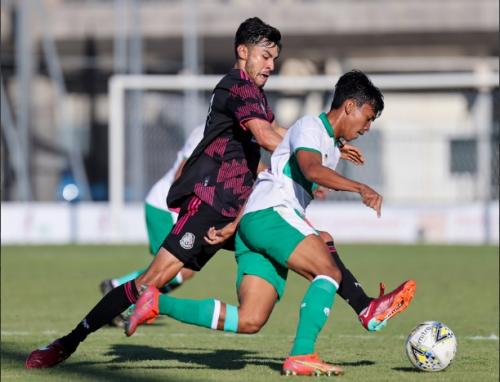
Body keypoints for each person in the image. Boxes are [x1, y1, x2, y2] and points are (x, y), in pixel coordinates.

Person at [25, 16, 286, 369]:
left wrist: (322, 138)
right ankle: (67, 342)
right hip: (209, 206)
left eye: (275, 58)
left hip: (233, 209)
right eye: (265, 56)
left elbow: (273, 133)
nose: (271, 65)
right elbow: (270, 139)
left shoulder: (253, 94)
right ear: (242, 51)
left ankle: (315, 324)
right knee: (150, 281)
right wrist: (315, 148)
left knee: (299, 250)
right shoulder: (236, 86)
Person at [125, 70, 416, 376]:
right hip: (270, 214)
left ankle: (155, 302)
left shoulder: (327, 143)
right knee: (327, 269)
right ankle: (315, 344)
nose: (368, 127)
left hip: (258, 221)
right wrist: (360, 187)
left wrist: (236, 224)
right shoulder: (310, 126)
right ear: (349, 106)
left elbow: (274, 176)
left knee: (250, 319)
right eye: (367, 117)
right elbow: (310, 169)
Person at [99, 125, 204, 328]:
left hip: (170, 207)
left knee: (183, 270)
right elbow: (181, 174)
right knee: (177, 268)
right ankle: (120, 294)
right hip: (166, 207)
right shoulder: (206, 131)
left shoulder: (224, 130)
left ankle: (129, 300)